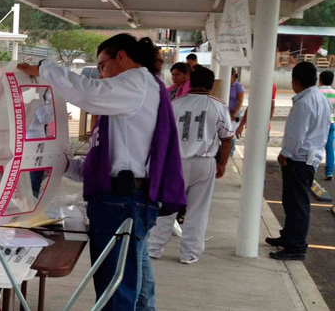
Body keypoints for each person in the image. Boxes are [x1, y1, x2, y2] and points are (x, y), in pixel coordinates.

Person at [18, 34, 186, 311]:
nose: (99, 74)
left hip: (123, 202)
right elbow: (113, 159)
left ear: (121, 57)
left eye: (101, 66)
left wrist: (45, 68)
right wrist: (67, 165)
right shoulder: (132, 95)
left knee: (116, 289)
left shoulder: (135, 81)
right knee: (133, 281)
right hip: (124, 198)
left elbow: (87, 94)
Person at [148, 66, 234, 265]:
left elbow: (160, 136)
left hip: (175, 162)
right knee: (198, 210)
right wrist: (222, 163)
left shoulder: (175, 104)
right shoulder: (218, 106)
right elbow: (227, 138)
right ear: (211, 85)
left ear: (190, 82)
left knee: (167, 206)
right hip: (205, 162)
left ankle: (154, 247)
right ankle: (189, 253)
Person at [268, 62, 330, 261]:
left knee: (297, 204)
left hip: (299, 159)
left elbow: (297, 135)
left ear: (295, 81)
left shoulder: (304, 103)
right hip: (310, 157)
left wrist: (284, 154)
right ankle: (288, 237)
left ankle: (296, 246)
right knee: (291, 201)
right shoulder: (321, 99)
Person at [317, 70, 335, 180]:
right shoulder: (334, 93)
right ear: (332, 81)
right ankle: (329, 172)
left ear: (320, 80)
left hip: (318, 124)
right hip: (331, 123)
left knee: (315, 146)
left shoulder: (317, 92)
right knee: (330, 148)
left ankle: (312, 167)